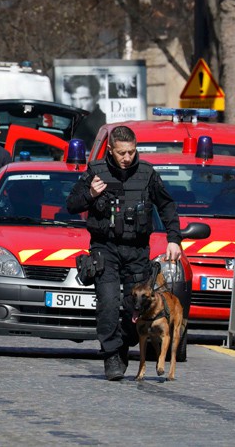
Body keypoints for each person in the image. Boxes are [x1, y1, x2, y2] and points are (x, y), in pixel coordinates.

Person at [66, 125, 182, 381]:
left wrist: (174, 239)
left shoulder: (147, 173)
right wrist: (90, 194)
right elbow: (71, 204)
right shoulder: (96, 171)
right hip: (104, 248)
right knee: (108, 305)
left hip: (137, 250)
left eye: (131, 151)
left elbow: (167, 206)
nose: (127, 157)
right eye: (121, 153)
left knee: (135, 307)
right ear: (110, 150)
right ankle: (112, 357)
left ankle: (124, 344)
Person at [65, 75, 107, 150]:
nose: (78, 105)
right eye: (73, 99)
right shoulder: (70, 122)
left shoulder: (103, 124)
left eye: (84, 99)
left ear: (96, 98)